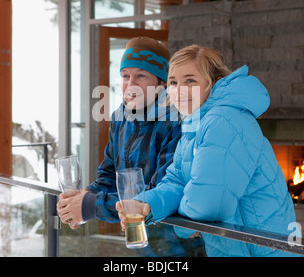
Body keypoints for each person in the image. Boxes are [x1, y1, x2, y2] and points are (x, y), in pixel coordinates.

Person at [117, 44, 301, 257]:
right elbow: (177, 181)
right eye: (174, 82)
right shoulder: (194, 124)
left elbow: (209, 205)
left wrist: (183, 223)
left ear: (213, 82)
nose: (179, 90)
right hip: (233, 247)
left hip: (262, 250)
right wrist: (146, 203)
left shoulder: (223, 119)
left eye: (190, 80)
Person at [57, 37, 205, 257]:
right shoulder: (120, 117)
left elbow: (160, 191)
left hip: (180, 248)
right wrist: (85, 195)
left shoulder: (179, 121)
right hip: (141, 245)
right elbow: (108, 173)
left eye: (141, 75)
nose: (131, 83)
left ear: (163, 82)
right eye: (125, 76)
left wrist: (90, 205)